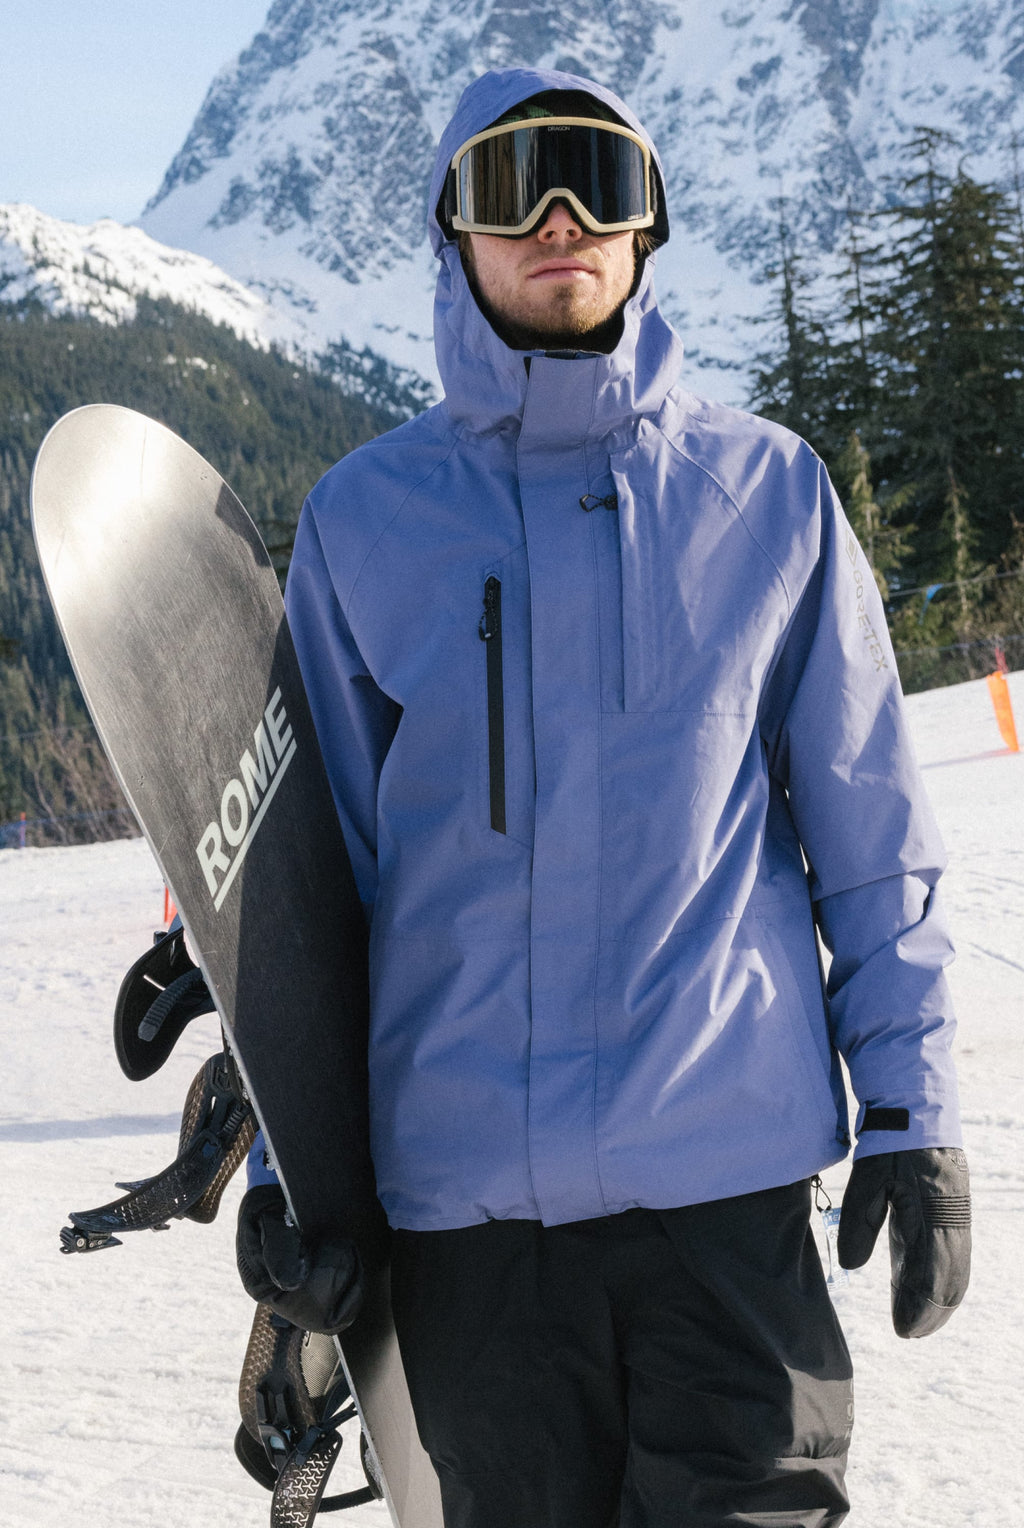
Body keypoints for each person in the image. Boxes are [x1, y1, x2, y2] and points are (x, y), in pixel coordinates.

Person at [236, 67, 972, 1527]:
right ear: (455, 229)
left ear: (650, 226)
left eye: (599, 181)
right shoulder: (366, 522)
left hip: (726, 1207)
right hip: (470, 1240)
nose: (560, 219)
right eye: (515, 185)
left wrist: (912, 1109)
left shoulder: (768, 496)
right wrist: (290, 1167)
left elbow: (874, 843)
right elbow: (303, 899)